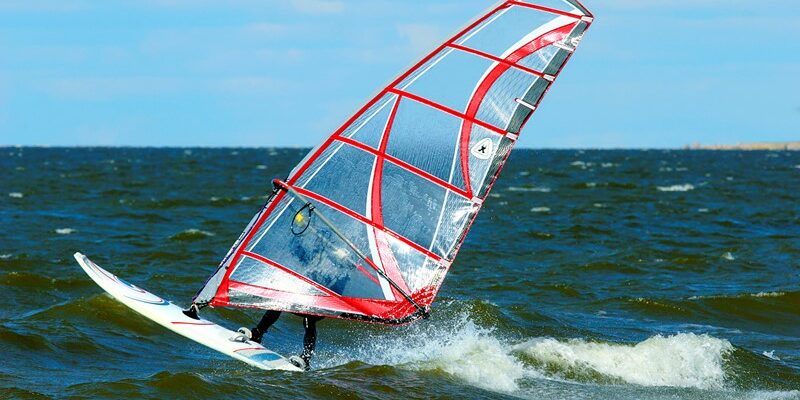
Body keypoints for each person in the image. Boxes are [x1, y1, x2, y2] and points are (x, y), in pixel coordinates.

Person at [238, 310, 323, 371]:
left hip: (321, 302)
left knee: (309, 318)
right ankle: (257, 334)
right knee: (278, 304)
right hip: (304, 296)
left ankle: (306, 358)